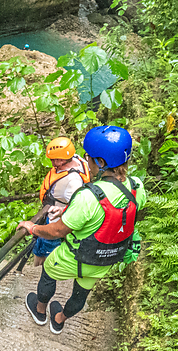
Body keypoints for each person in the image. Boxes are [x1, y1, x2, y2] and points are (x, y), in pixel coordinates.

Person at [19, 126, 145, 335]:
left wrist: (33, 228)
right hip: (104, 259)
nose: (86, 161)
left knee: (48, 272)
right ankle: (59, 320)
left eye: (89, 157)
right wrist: (69, 210)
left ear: (101, 163)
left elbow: (58, 231)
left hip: (74, 256)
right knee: (81, 294)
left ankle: (40, 312)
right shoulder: (137, 187)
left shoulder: (89, 196)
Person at [32, 137, 91, 268]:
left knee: (49, 251)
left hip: (55, 219)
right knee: (39, 246)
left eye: (56, 159)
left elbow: (76, 204)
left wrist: (62, 214)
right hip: (49, 213)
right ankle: (32, 268)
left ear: (64, 158)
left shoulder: (73, 181)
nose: (53, 163)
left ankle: (47, 271)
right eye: (52, 159)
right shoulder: (77, 159)